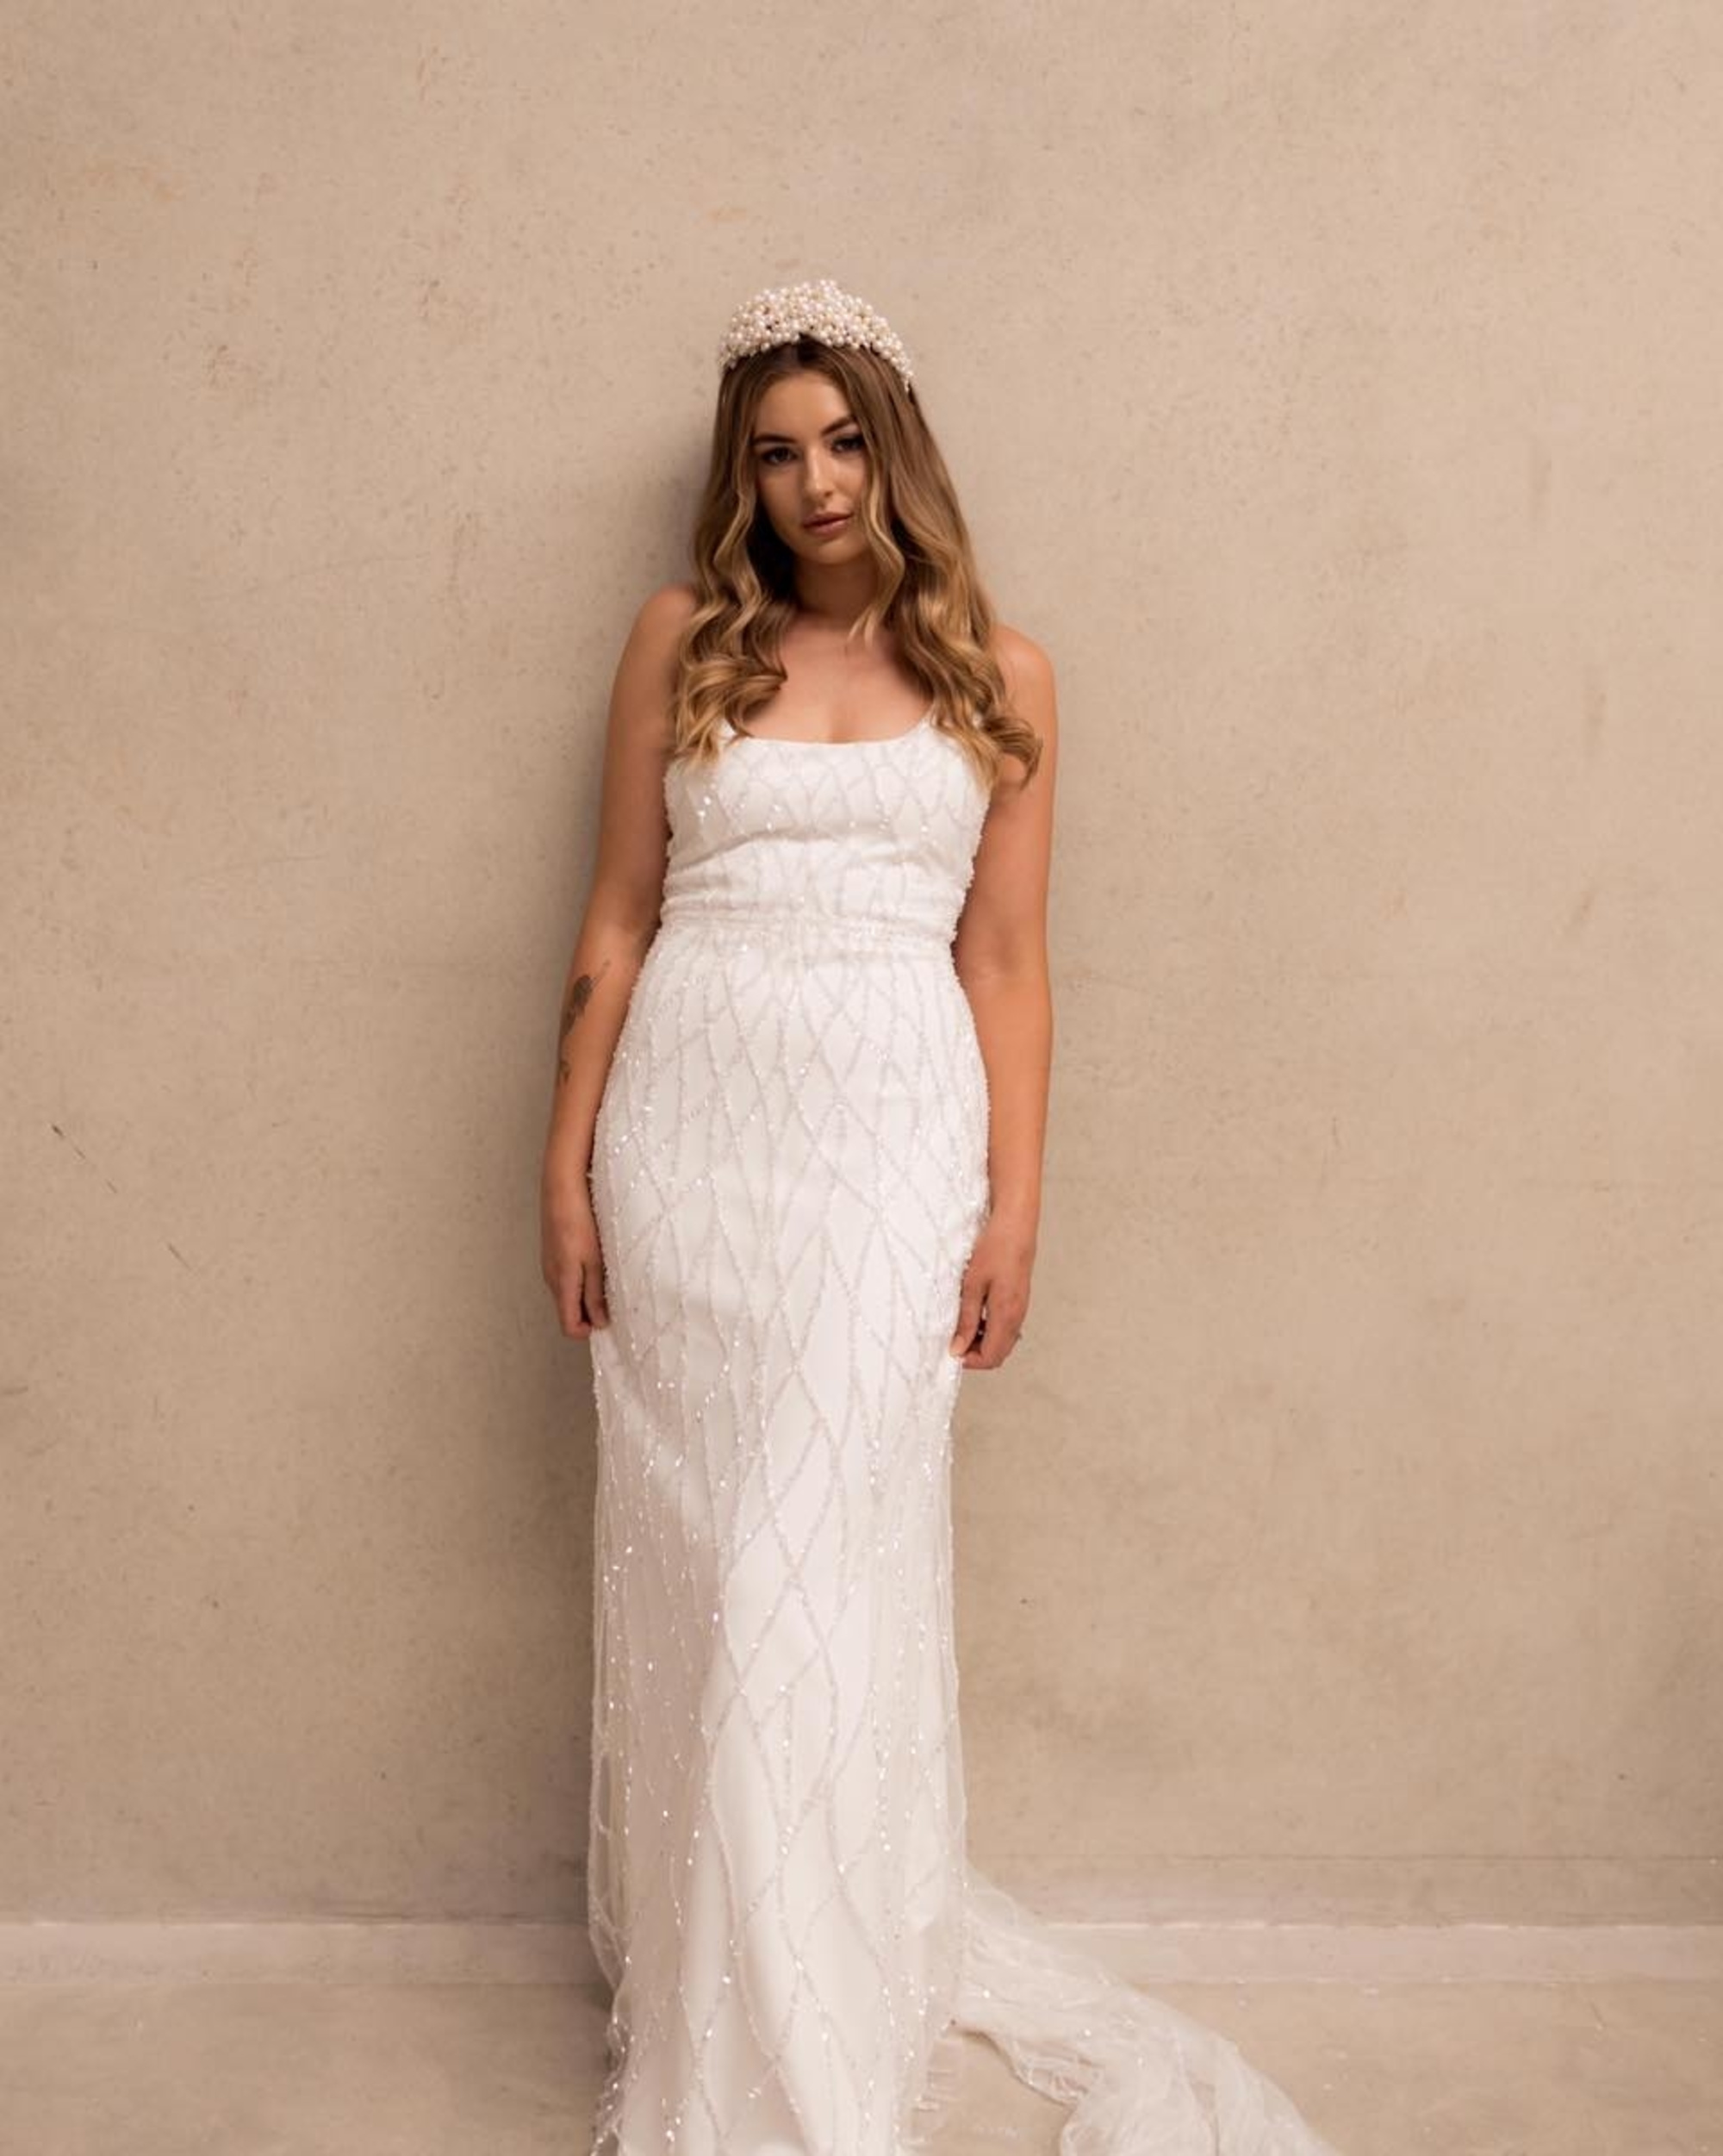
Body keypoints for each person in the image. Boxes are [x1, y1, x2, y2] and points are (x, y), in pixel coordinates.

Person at [540, 278, 1343, 2156]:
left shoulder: (1006, 674)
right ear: (742, 479)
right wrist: (564, 1168)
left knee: (809, 1577)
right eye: (775, 454)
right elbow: (616, 920)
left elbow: (1007, 964)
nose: (815, 483)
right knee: (713, 1571)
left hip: (891, 1152)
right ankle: (731, 1969)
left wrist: (1014, 1211)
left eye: (843, 441)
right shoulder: (680, 641)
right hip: (689, 1146)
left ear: (895, 450)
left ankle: (802, 2042)